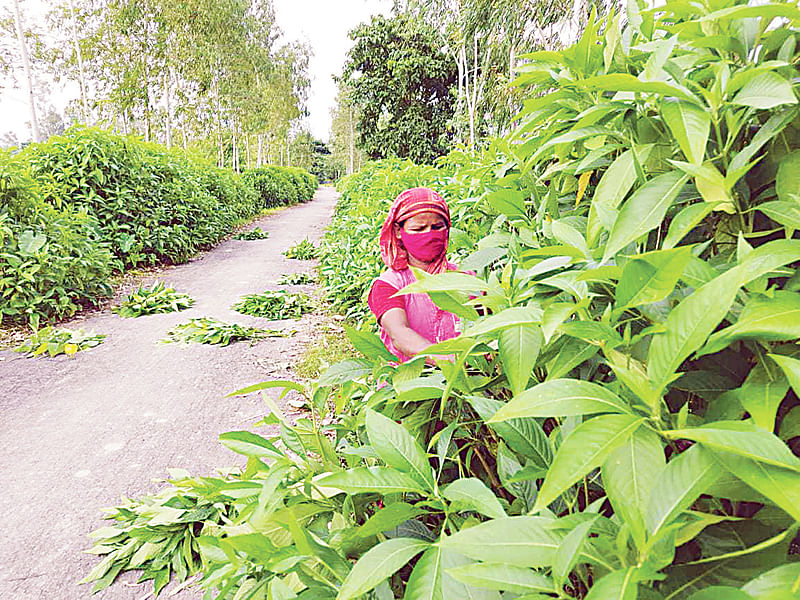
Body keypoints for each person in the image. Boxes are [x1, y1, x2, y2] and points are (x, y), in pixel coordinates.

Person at [367, 187, 462, 362]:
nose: (429, 235)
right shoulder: (389, 285)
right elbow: (400, 334)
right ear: (398, 232)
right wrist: (451, 361)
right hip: (409, 384)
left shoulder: (466, 277)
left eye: (437, 227)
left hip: (468, 384)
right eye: (418, 229)